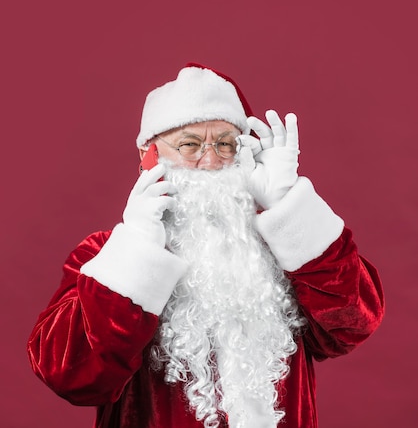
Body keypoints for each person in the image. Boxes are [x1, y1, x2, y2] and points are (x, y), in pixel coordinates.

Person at [28, 63, 384, 428]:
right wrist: (137, 248)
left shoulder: (280, 250)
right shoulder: (105, 256)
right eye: (190, 145)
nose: (211, 161)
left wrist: (288, 205)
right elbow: (68, 375)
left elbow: (353, 324)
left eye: (226, 144)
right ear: (149, 157)